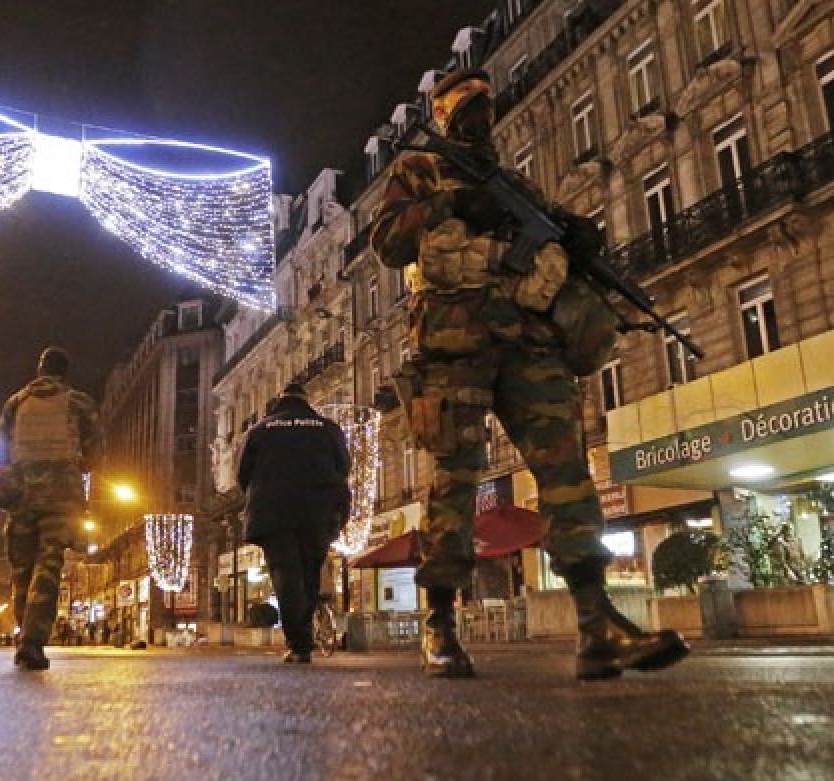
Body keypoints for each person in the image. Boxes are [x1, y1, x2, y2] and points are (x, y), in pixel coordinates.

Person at [369, 68, 688, 680]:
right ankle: (439, 623)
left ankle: (597, 627)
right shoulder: (420, 170)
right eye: (462, 99)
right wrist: (450, 202)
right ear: (439, 114)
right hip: (456, 341)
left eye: (485, 96)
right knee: (453, 484)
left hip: (528, 340)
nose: (477, 107)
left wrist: (579, 237)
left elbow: (554, 240)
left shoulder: (514, 183)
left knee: (568, 476)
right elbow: (388, 243)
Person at [0, 346, 101, 671]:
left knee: (22, 568)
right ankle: (32, 642)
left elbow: (1, 454)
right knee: (48, 564)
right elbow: (94, 453)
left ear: (40, 369)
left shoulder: (16, 402)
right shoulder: (79, 402)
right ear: (64, 373)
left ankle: (25, 632)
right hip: (61, 496)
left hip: (21, 495)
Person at [237, 382, 351, 664]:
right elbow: (344, 466)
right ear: (306, 400)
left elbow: (243, 475)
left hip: (273, 511)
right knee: (310, 571)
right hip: (317, 510)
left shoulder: (260, 430)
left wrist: (260, 492)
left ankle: (299, 644)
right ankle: (303, 636)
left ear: (279, 401)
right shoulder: (327, 427)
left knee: (285, 574)